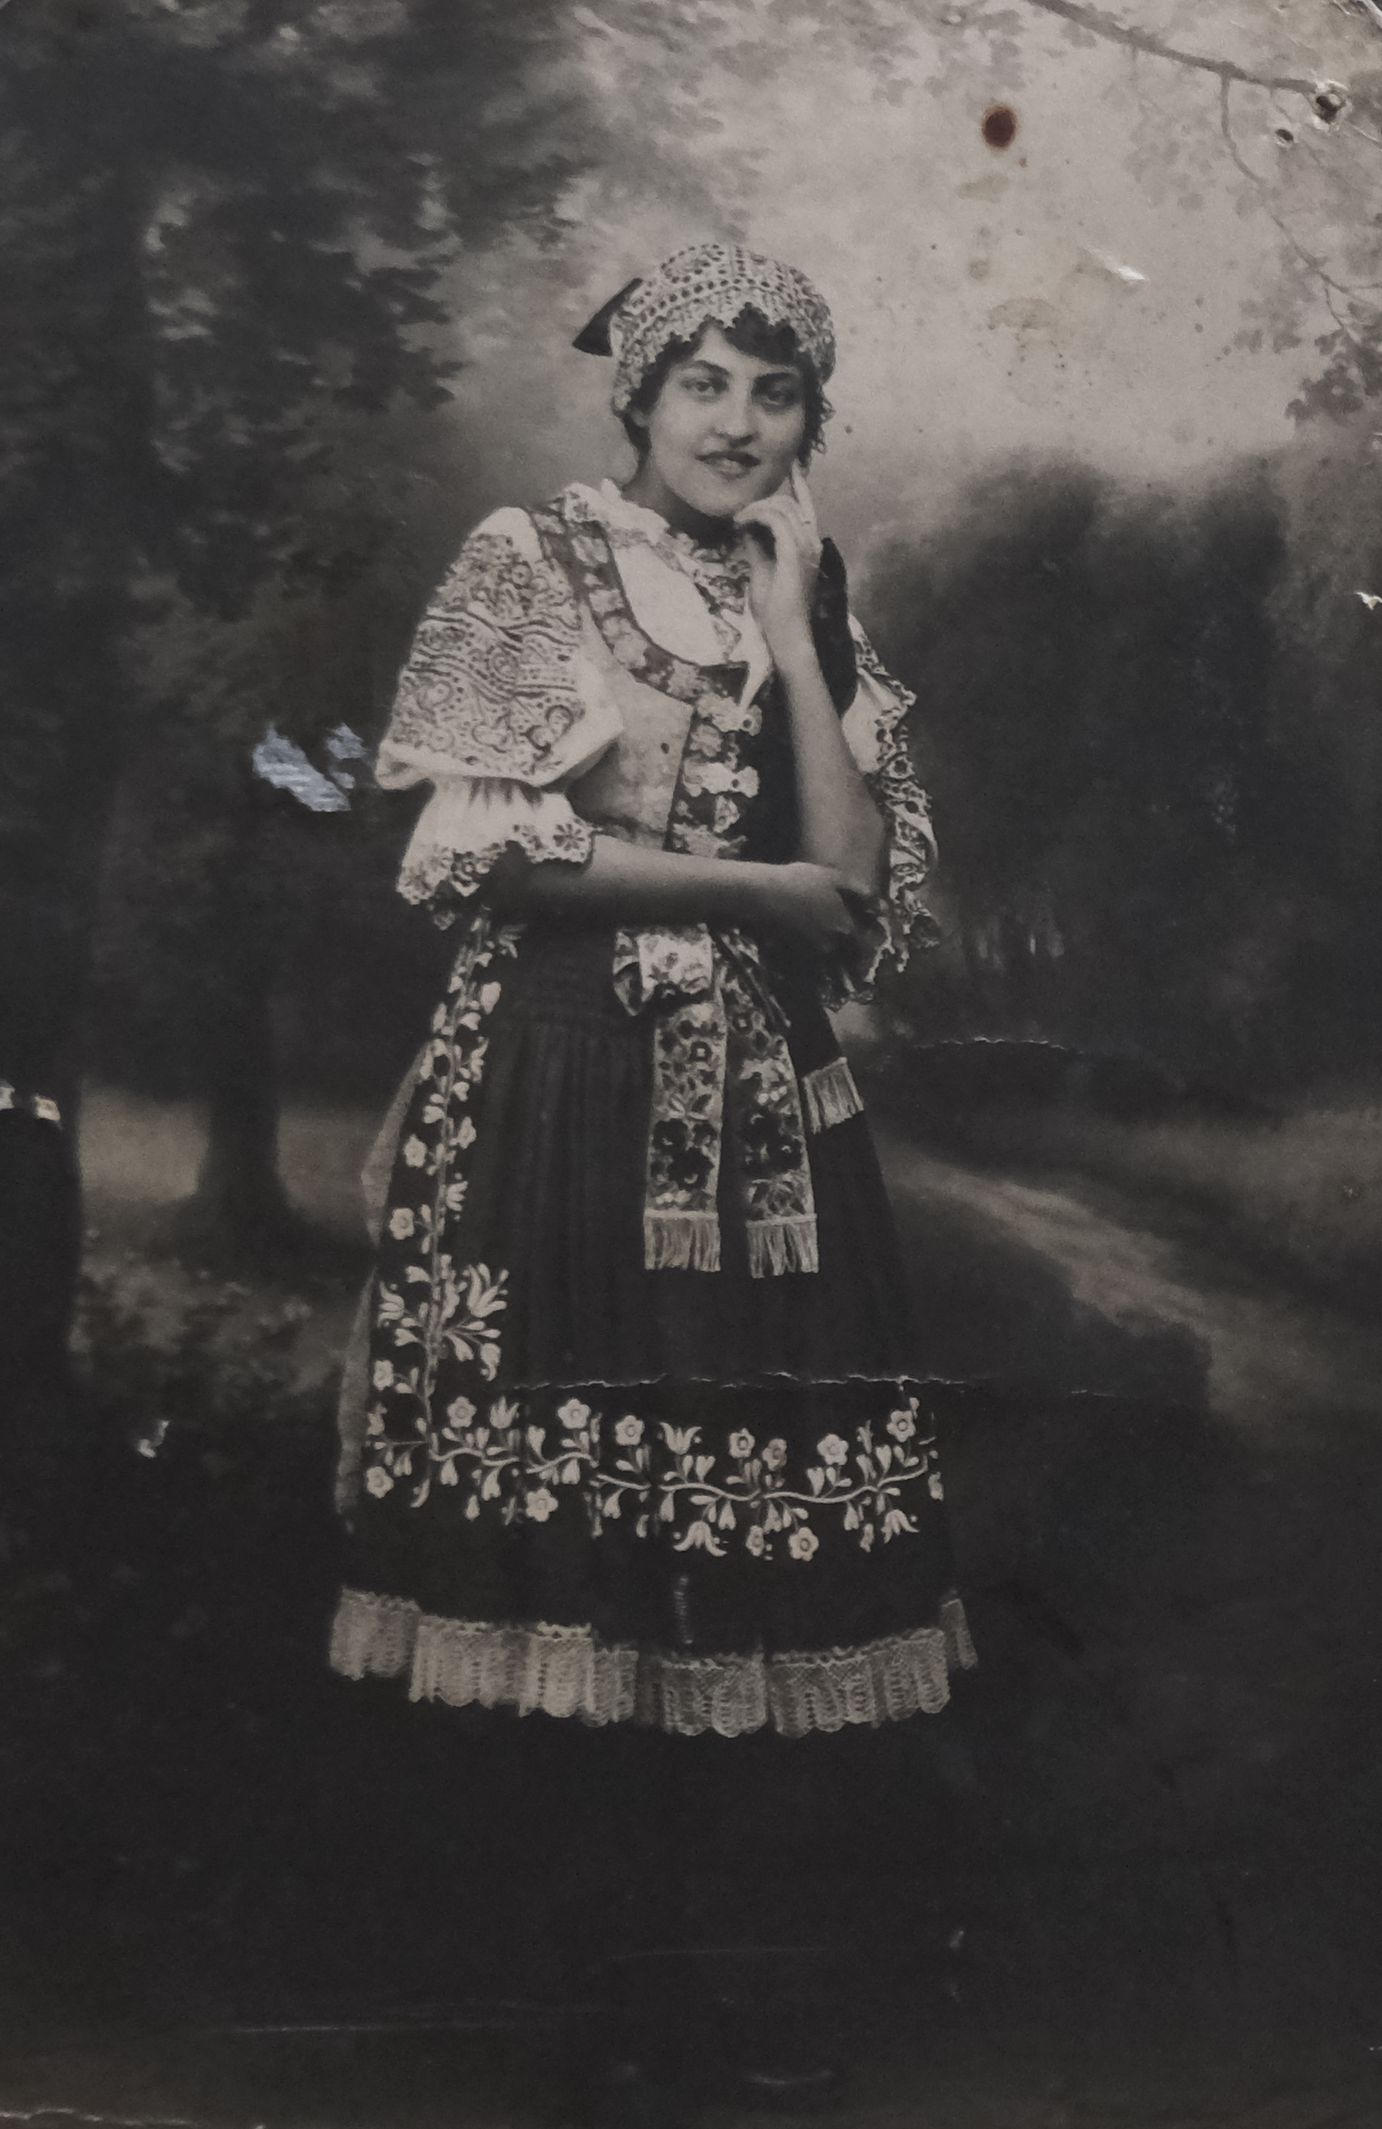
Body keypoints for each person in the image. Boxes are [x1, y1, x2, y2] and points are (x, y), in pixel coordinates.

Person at [330, 240, 976, 2122]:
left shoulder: (807, 589)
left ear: (809, 422)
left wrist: (791, 634)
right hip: (562, 1084)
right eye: (704, 384)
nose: (738, 423)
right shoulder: (529, 558)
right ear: (639, 397)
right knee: (583, 1532)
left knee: (741, 1518)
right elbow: (493, 856)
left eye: (776, 394)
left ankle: (724, 1994)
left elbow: (853, 889)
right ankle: (590, 2009)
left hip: (764, 1113)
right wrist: (752, 891)